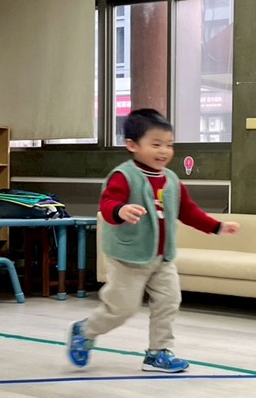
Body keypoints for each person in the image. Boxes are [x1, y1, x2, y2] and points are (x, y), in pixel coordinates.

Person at [67, 109, 239, 373]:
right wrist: (120, 210)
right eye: (156, 144)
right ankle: (85, 330)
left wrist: (216, 227)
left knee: (169, 301)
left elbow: (188, 211)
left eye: (169, 145)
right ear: (132, 145)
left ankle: (158, 352)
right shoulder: (123, 176)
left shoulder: (172, 180)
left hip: (162, 258)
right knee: (122, 309)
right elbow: (108, 203)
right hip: (128, 257)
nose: (164, 151)